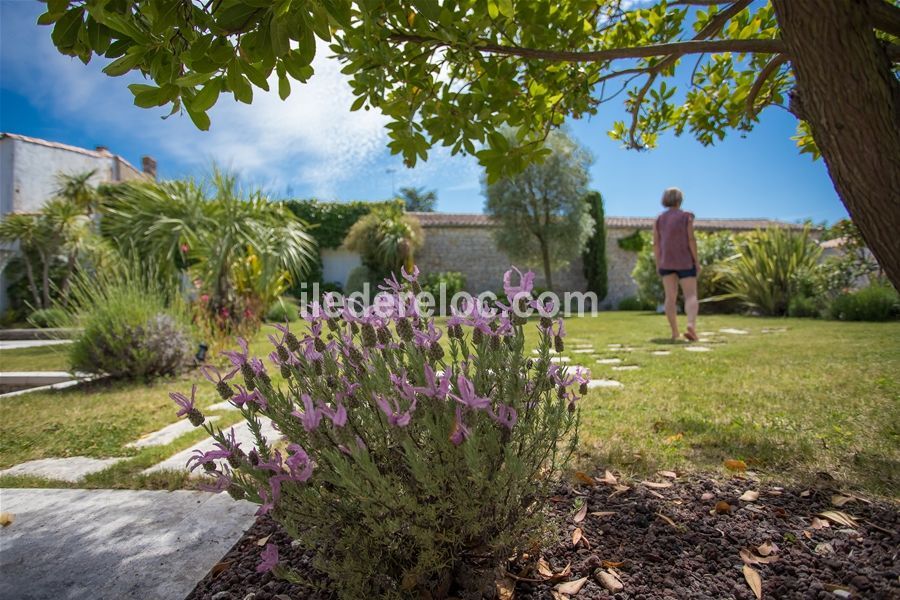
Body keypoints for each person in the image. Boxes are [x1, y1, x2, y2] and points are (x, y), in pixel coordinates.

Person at [653, 188, 700, 341]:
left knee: (670, 297)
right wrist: (696, 261)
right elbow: (691, 240)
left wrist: (658, 262)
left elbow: (656, 244)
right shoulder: (686, 217)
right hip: (685, 261)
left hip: (666, 262)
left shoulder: (659, 219)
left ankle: (674, 332)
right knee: (691, 295)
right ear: (680, 200)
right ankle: (691, 325)